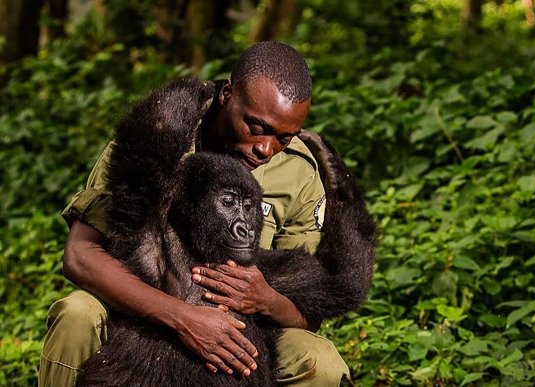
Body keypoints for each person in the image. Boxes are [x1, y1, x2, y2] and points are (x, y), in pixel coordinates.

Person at [38, 42, 350, 386]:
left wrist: (267, 300)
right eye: (256, 128)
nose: (265, 149)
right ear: (227, 94)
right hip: (139, 309)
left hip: (247, 332)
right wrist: (183, 317)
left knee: (321, 362)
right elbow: (80, 256)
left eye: (284, 138)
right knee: (77, 314)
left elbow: (310, 309)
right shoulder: (160, 136)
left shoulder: (298, 172)